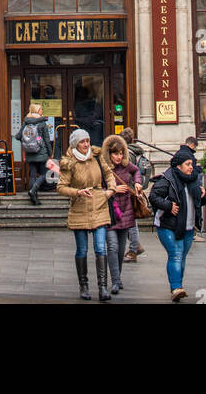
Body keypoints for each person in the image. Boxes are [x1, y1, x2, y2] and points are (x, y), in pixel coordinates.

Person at [58, 127, 115, 301]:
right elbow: (61, 187)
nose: (86, 144)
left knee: (100, 247)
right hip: (79, 207)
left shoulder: (97, 156)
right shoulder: (69, 163)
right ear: (75, 144)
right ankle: (84, 286)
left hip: (99, 204)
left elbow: (108, 173)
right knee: (82, 249)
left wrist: (110, 190)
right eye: (82, 142)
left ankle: (103, 288)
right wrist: (77, 192)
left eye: (87, 141)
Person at [149, 145, 206, 302]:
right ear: (178, 166)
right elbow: (154, 196)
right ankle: (176, 287)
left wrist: (204, 195)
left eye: (192, 164)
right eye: (188, 164)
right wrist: (168, 206)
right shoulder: (168, 179)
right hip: (168, 225)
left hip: (188, 226)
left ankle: (178, 286)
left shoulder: (194, 179)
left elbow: (202, 200)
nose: (191, 167)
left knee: (181, 256)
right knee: (175, 254)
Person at [101, 134, 144, 294]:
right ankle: (115, 281)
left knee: (120, 249)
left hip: (126, 210)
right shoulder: (103, 168)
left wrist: (138, 182)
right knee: (112, 247)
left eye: (120, 153)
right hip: (110, 211)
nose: (118, 157)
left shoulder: (127, 165)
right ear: (109, 154)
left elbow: (137, 171)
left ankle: (117, 277)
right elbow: (97, 188)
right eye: (115, 154)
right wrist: (112, 190)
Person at [15, 102, 52, 207]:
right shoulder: (42, 123)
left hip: (29, 153)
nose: (42, 111)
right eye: (41, 109)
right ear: (37, 111)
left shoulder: (26, 122)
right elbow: (46, 139)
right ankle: (33, 190)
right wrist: (50, 153)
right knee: (45, 174)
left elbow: (18, 136)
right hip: (41, 152)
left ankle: (34, 198)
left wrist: (27, 142)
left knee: (32, 175)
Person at [119, 128, 146, 261]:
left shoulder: (127, 154)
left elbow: (129, 172)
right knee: (128, 219)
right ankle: (136, 246)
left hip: (128, 190)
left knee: (131, 221)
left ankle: (134, 249)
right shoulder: (136, 150)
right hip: (133, 189)